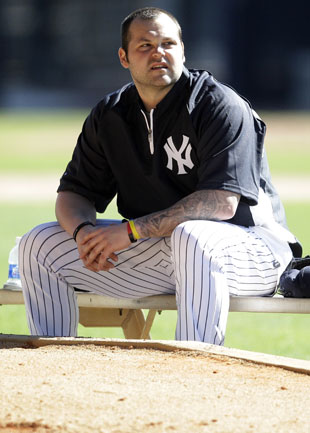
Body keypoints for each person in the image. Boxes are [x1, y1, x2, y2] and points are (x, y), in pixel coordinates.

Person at [19, 7, 301, 344]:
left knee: (193, 237)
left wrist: (132, 230)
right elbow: (74, 194)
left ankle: (194, 369)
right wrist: (82, 234)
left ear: (183, 50)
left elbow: (221, 204)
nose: (159, 53)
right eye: (145, 46)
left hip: (254, 251)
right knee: (39, 244)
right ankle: (54, 369)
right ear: (124, 57)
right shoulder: (111, 115)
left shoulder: (218, 105)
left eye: (168, 44)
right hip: (163, 251)